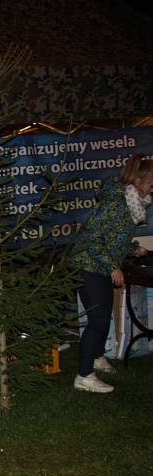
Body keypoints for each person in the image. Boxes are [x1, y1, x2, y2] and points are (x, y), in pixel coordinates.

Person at [71, 154, 152, 393]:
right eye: (151, 184)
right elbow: (92, 237)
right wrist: (113, 267)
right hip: (88, 265)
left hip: (100, 265)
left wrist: (132, 247)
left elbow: (113, 236)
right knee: (97, 320)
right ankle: (84, 376)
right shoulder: (116, 202)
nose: (152, 189)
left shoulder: (131, 202)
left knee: (103, 316)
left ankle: (97, 357)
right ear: (138, 181)